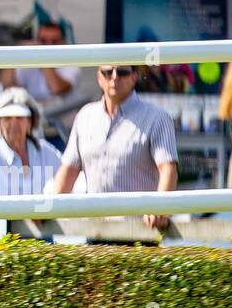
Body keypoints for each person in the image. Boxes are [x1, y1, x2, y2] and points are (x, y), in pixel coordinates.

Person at [51, 64, 178, 229]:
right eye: (108, 72)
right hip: (95, 233)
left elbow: (168, 169)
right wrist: (49, 209)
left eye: (123, 72)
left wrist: (160, 208)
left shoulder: (157, 118)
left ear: (134, 77)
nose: (115, 77)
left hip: (141, 232)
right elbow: (68, 171)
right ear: (99, 78)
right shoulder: (85, 116)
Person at [0, 19, 79, 106]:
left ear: (63, 42)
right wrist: (14, 54)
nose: (49, 46)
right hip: (32, 116)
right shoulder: (29, 63)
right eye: (43, 41)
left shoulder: (71, 64)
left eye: (54, 42)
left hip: (61, 117)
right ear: (36, 41)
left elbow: (56, 89)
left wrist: (42, 55)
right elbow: (8, 88)